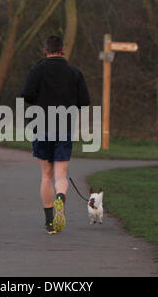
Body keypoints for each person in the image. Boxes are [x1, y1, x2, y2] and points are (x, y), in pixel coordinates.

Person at [21, 35, 90, 234]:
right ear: (62, 51)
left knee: (46, 175)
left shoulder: (37, 70)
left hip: (41, 126)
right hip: (65, 127)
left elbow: (26, 95)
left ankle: (50, 222)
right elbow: (84, 102)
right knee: (61, 175)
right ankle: (61, 196)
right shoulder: (74, 73)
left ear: (45, 51)